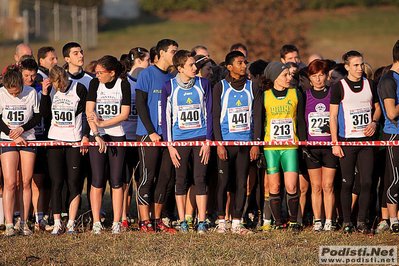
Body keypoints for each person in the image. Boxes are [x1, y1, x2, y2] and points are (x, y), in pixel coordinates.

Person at [330, 50, 381, 234]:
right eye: (356, 65)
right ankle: (346, 222)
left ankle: (361, 221)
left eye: (361, 64)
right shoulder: (339, 87)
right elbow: (333, 116)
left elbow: (377, 108)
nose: (360, 68)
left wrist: (374, 122)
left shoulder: (370, 84)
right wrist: (335, 142)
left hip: (366, 143)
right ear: (347, 67)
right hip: (347, 142)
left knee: (367, 182)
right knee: (347, 182)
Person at [161, 50, 213, 234]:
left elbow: (209, 112)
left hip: (200, 139)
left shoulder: (203, 83)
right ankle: (182, 220)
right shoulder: (169, 86)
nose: (195, 67)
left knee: (200, 179)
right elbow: (166, 117)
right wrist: (170, 145)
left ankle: (201, 222)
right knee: (181, 181)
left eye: (195, 64)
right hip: (179, 141)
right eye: (190, 65)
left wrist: (208, 141)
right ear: (180, 68)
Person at [213, 51, 262, 234]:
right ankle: (221, 222)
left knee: (242, 182)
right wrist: (219, 144)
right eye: (240, 63)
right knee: (223, 182)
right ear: (229, 67)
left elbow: (257, 117)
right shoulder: (220, 87)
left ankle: (237, 222)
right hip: (226, 143)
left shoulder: (253, 88)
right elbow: (215, 116)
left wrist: (256, 143)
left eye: (245, 62)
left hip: (245, 144)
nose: (244, 66)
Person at [135, 39, 178, 233]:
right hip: (148, 134)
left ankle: (157, 219)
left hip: (167, 135)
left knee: (165, 178)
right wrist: (151, 131)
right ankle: (144, 222)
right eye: (172, 52)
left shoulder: (172, 77)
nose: (175, 56)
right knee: (147, 177)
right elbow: (141, 104)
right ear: (161, 53)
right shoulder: (146, 74)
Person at [40, 66, 87, 235]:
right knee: (57, 182)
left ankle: (72, 223)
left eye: (63, 84)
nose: (61, 87)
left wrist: (86, 136)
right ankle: (58, 222)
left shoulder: (79, 88)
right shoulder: (51, 90)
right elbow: (45, 115)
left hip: (74, 141)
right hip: (55, 140)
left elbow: (87, 114)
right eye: (57, 85)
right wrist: (45, 94)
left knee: (74, 182)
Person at [86, 55, 131, 234]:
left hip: (116, 135)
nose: (96, 75)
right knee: (97, 180)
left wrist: (103, 124)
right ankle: (96, 222)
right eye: (95, 72)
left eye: (100, 72)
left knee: (116, 180)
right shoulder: (94, 84)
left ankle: (116, 222)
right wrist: (96, 133)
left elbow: (124, 114)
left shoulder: (123, 85)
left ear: (112, 73)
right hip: (97, 136)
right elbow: (90, 111)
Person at [262, 62, 306, 231]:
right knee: (274, 186)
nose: (289, 78)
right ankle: (278, 223)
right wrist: (258, 148)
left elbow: (301, 121)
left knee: (292, 186)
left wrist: (303, 145)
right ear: (274, 78)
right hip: (271, 148)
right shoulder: (264, 95)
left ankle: (294, 222)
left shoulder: (296, 94)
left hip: (291, 147)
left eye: (290, 75)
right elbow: (259, 122)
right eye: (285, 75)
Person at [0, 65, 41, 237]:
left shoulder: (31, 92)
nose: (14, 95)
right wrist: (12, 134)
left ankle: (24, 223)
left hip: (28, 139)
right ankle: (9, 224)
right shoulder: (1, 93)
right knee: (9, 183)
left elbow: (38, 117)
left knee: (26, 182)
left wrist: (22, 129)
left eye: (17, 92)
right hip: (7, 140)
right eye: (11, 93)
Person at [301, 59, 338, 232]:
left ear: (326, 76)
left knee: (328, 185)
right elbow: (301, 122)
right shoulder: (305, 95)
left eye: (321, 75)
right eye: (314, 76)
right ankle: (317, 220)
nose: (318, 79)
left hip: (330, 147)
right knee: (315, 186)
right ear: (310, 78)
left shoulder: (333, 93)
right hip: (312, 148)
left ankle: (329, 220)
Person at [377, 40, 399, 234]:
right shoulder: (388, 80)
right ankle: (393, 221)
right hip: (394, 134)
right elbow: (391, 113)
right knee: (394, 179)